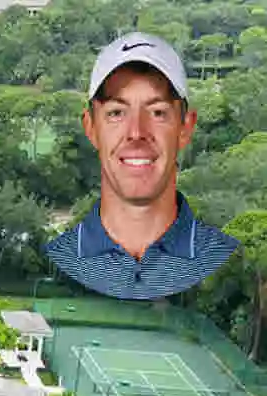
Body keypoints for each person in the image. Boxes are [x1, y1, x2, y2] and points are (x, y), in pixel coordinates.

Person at [46, 32, 238, 300]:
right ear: (91, 127)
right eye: (116, 113)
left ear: (186, 127)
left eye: (158, 112)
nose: (136, 132)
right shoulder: (55, 257)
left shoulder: (229, 260)